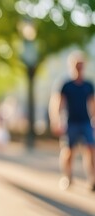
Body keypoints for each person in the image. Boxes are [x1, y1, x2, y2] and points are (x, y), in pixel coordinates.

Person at [49, 51, 95, 191]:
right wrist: (56, 120)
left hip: (85, 122)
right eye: (76, 64)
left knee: (91, 149)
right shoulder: (66, 84)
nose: (79, 67)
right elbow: (58, 103)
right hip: (71, 122)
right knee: (69, 151)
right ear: (72, 66)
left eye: (81, 64)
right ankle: (68, 177)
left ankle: (92, 179)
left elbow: (92, 103)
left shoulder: (88, 85)